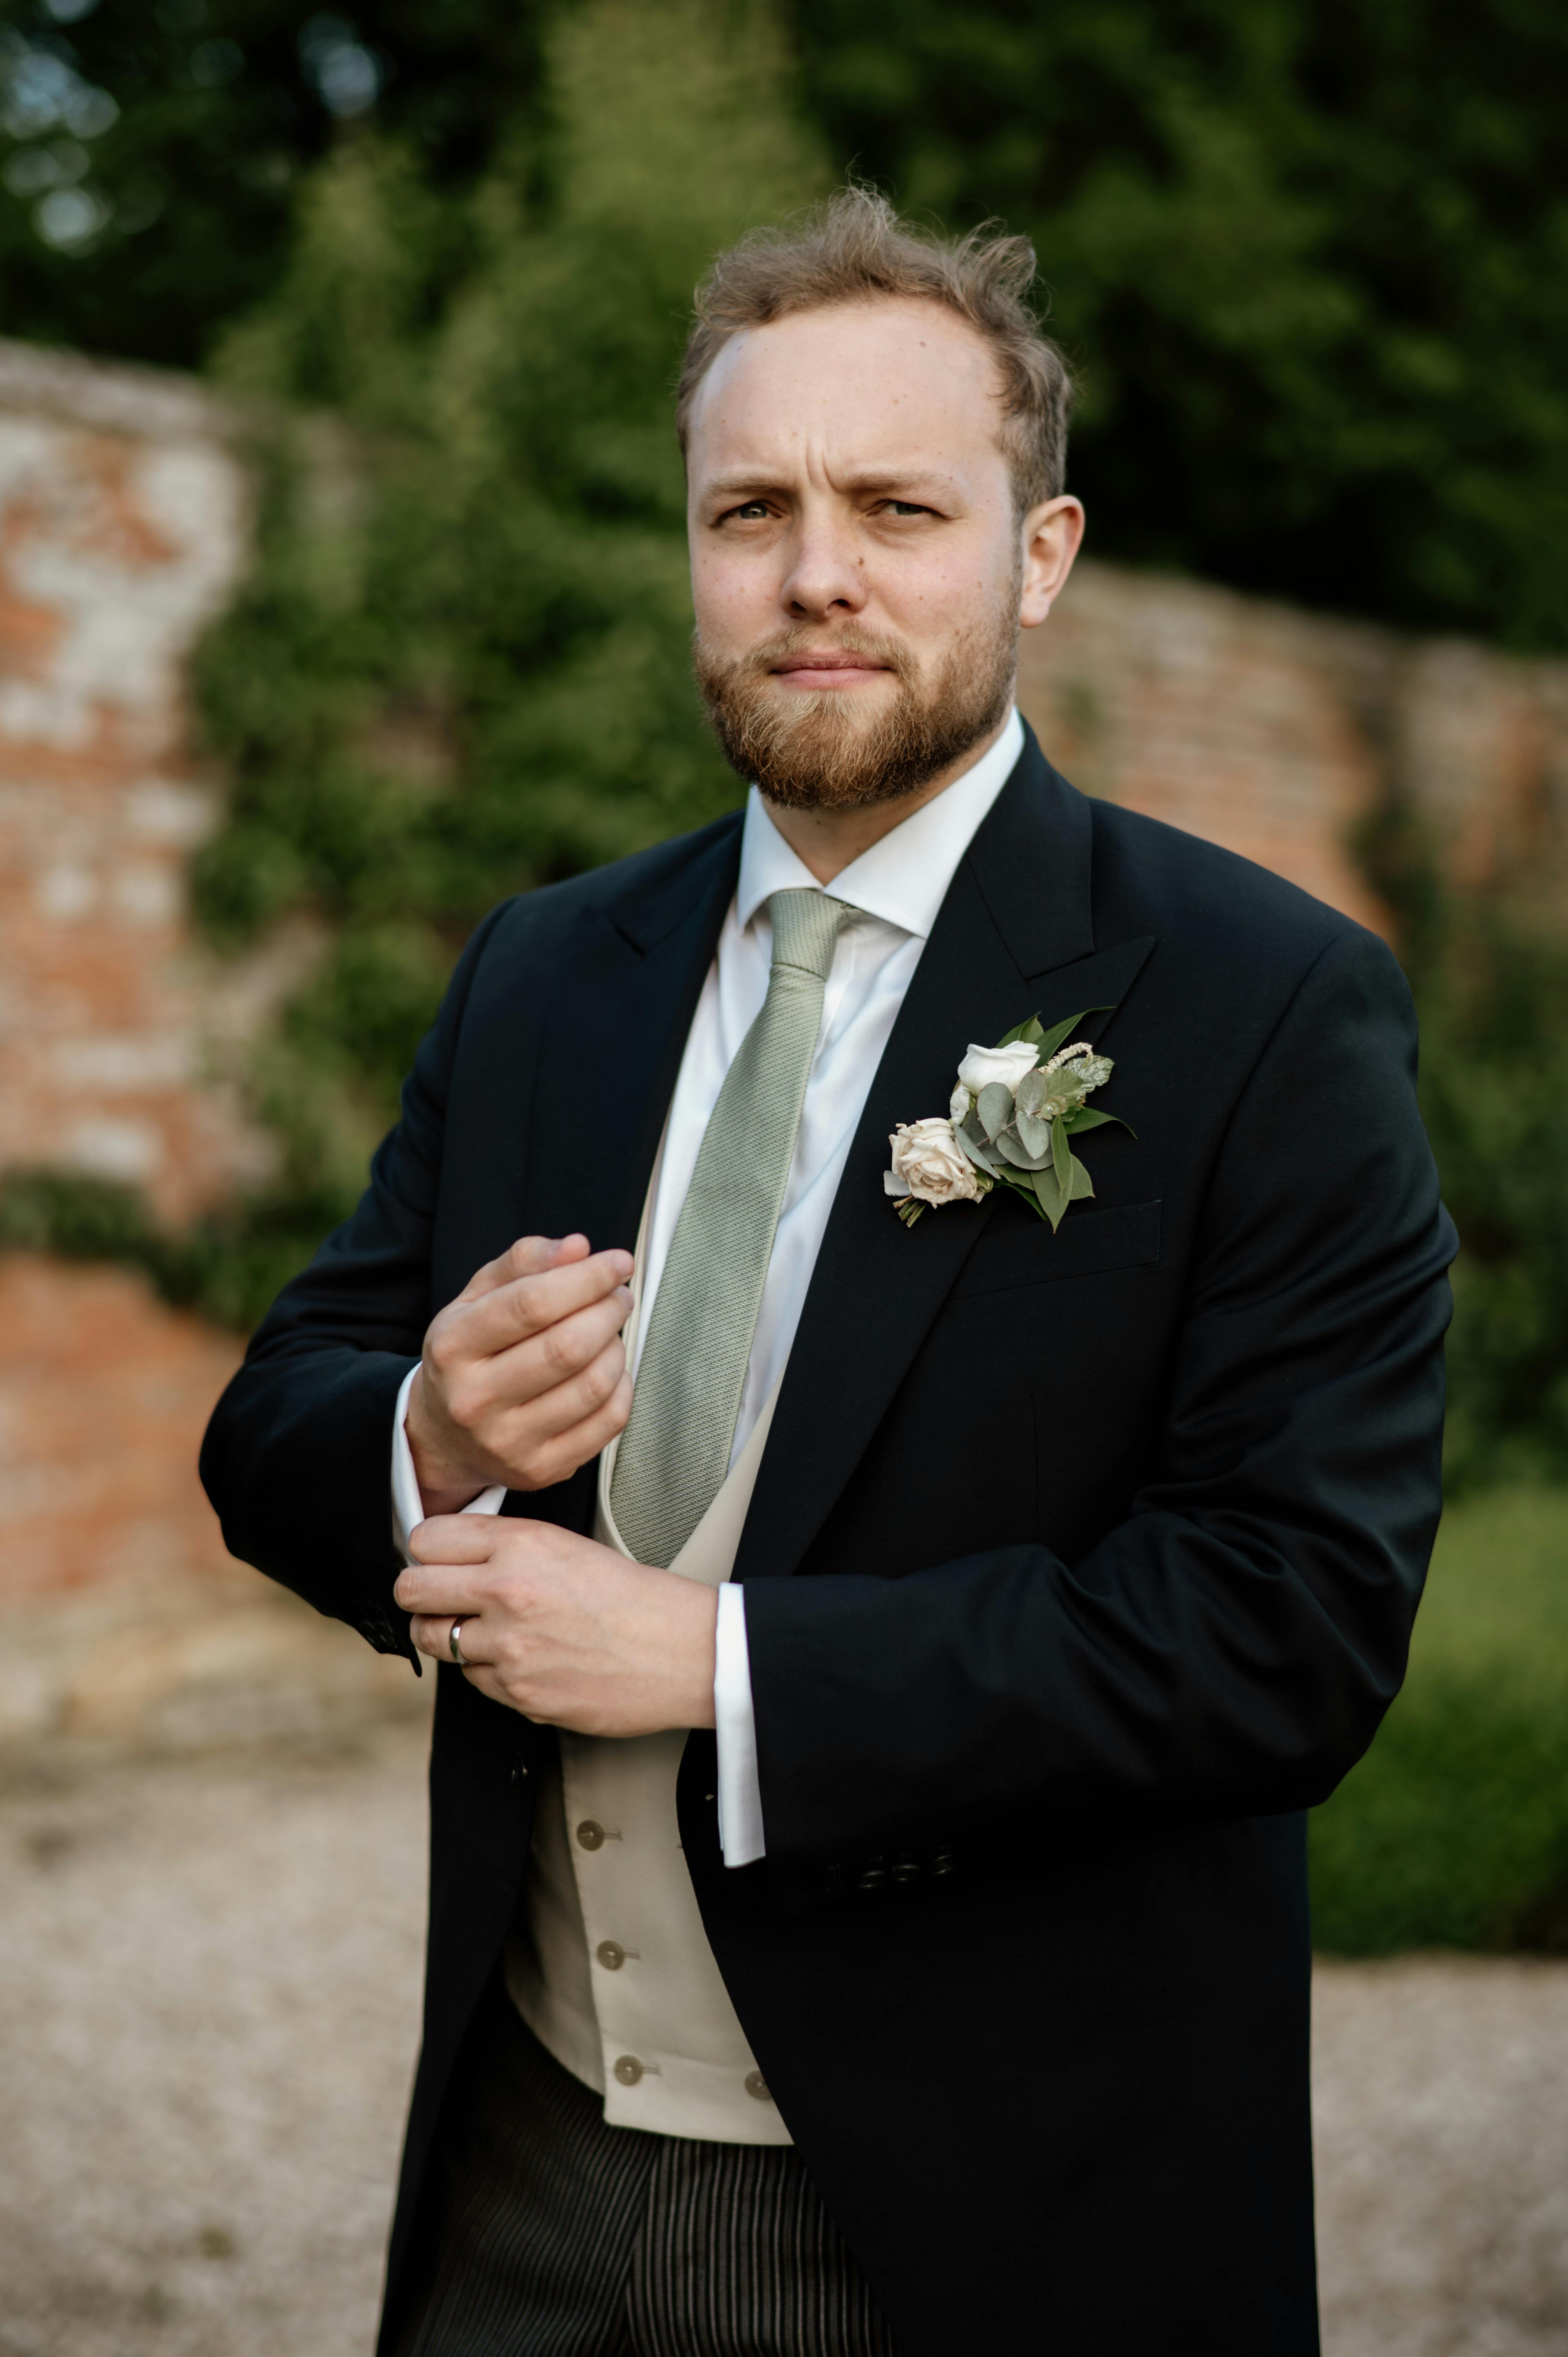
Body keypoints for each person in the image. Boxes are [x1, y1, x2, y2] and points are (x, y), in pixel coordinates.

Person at [200, 188, 1455, 2357]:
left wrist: (719, 1667)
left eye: (896, 507)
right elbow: (278, 1407)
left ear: (1035, 556)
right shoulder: (546, 969)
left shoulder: (1261, 1005)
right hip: (517, 2147)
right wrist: (424, 1432)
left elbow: (1291, 1624)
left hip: (981, 2207)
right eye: (746, 510)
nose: (813, 577)